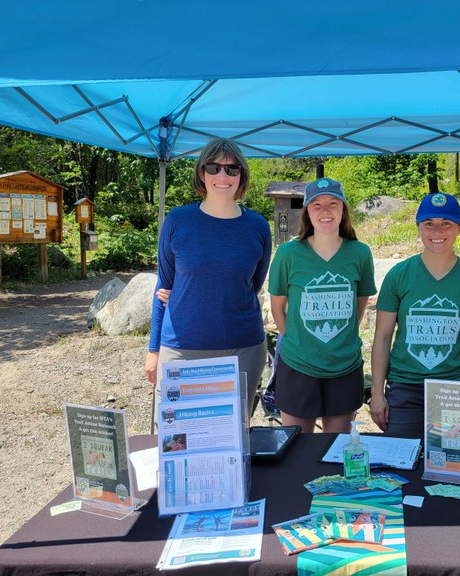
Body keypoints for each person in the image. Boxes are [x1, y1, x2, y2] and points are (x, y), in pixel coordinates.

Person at [144, 138, 272, 422]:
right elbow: (163, 286)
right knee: (179, 438)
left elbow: (253, 285)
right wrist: (154, 350)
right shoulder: (177, 221)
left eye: (232, 169)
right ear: (202, 173)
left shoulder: (258, 226)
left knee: (233, 439)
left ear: (242, 175)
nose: (223, 176)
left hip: (243, 348)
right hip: (182, 347)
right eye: (213, 167)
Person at [370, 192, 460, 436]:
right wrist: (377, 393)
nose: (437, 231)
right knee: (402, 464)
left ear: (459, 228)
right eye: (429, 224)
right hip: (405, 387)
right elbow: (382, 337)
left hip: (454, 388)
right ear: (418, 227)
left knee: (452, 465)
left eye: (446, 223)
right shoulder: (399, 275)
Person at [268, 177, 376, 433]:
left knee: (335, 449)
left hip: (344, 366)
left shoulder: (359, 253)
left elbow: (358, 307)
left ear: (343, 209)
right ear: (307, 211)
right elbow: (277, 307)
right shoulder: (288, 254)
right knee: (296, 449)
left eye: (333, 203)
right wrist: (297, 340)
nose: (325, 211)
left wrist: (337, 338)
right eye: (316, 204)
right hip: (298, 365)